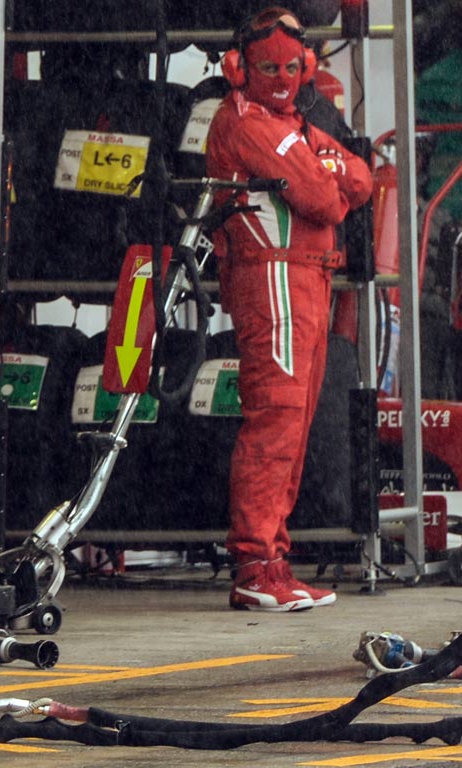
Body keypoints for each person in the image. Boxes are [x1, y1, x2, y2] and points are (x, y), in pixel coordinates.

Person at [206, 7, 372, 612]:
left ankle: (273, 562)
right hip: (271, 278)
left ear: (306, 66)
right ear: (239, 67)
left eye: (290, 65)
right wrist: (328, 174)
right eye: (268, 66)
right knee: (276, 420)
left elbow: (362, 176)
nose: (280, 75)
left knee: (295, 424)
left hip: (304, 281)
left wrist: (329, 172)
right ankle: (255, 565)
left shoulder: (290, 124)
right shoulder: (250, 122)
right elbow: (328, 198)